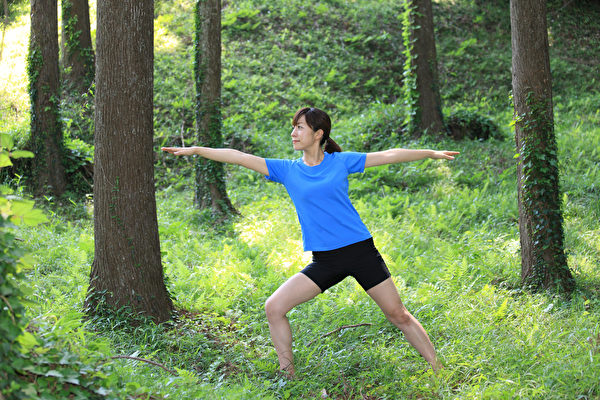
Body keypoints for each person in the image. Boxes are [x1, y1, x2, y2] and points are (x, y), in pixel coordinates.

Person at [162, 106, 458, 377]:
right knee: (274, 307)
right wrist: (197, 150)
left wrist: (430, 153)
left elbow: (389, 155)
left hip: (359, 251)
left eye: (300, 127)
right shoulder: (287, 170)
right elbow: (238, 157)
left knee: (398, 314)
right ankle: (286, 375)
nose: (293, 133)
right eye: (293, 127)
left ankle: (438, 368)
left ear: (319, 134)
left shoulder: (341, 162)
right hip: (325, 260)